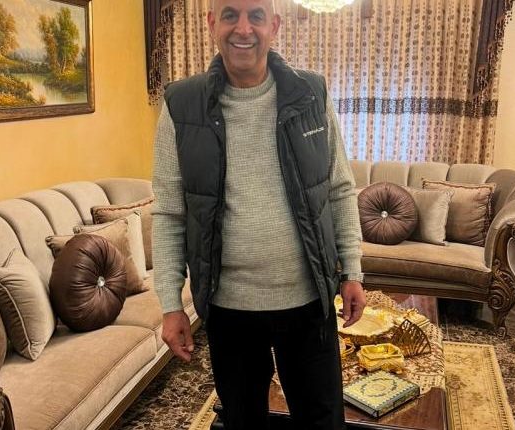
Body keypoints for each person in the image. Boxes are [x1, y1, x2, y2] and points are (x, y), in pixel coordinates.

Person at [151, 0, 366, 427]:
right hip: (229, 307)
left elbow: (339, 189)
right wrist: (171, 304)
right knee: (242, 421)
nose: (243, 28)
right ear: (212, 23)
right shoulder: (181, 105)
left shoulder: (311, 94)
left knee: (322, 420)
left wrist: (352, 270)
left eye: (256, 16)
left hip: (308, 300)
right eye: (230, 15)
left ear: (275, 25)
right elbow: (170, 212)